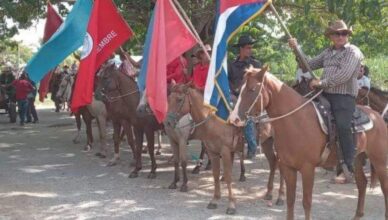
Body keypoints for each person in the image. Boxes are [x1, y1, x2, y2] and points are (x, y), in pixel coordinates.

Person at [289, 20, 364, 183]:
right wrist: (297, 49)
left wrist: (322, 83)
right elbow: (307, 65)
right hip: (324, 94)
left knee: (343, 125)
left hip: (343, 97)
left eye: (344, 33)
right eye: (337, 33)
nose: (340, 36)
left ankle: (348, 167)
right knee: (304, 112)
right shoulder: (328, 52)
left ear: (347, 35)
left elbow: (345, 74)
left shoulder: (353, 51)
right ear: (331, 36)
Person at [228, 35, 262, 159]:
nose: (250, 50)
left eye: (251, 48)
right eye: (248, 48)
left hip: (251, 96)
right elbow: (227, 83)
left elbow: (260, 83)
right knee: (228, 104)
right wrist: (233, 92)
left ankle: (252, 145)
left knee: (245, 111)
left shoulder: (256, 64)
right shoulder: (231, 65)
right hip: (234, 96)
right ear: (241, 49)